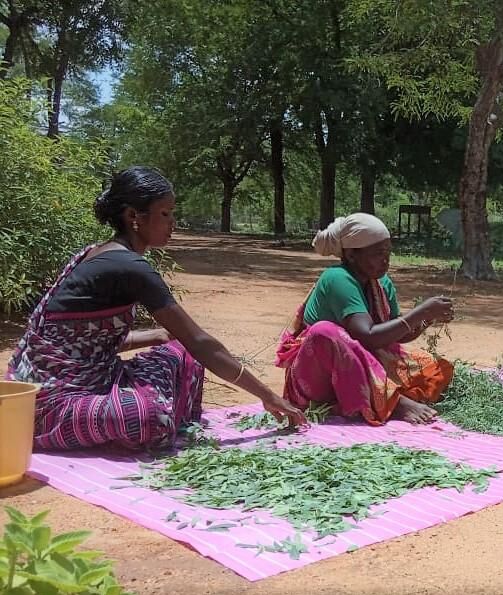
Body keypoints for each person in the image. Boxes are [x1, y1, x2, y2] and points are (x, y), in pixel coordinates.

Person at [6, 167, 305, 451]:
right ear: (133, 216)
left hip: (89, 378)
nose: (172, 222)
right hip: (50, 401)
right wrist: (267, 396)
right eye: (165, 213)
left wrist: (156, 336)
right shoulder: (128, 266)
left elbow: (86, 343)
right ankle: (156, 417)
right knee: (148, 418)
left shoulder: (101, 253)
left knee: (182, 353)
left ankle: (162, 412)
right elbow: (201, 343)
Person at [275, 213, 455, 425]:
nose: (386, 259)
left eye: (388, 252)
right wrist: (420, 312)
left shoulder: (380, 282)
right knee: (325, 331)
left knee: (433, 368)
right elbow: (367, 336)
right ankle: (393, 402)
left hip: (359, 368)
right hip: (318, 379)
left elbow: (394, 334)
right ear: (351, 255)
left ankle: (376, 396)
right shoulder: (337, 278)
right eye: (378, 253)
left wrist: (427, 318)